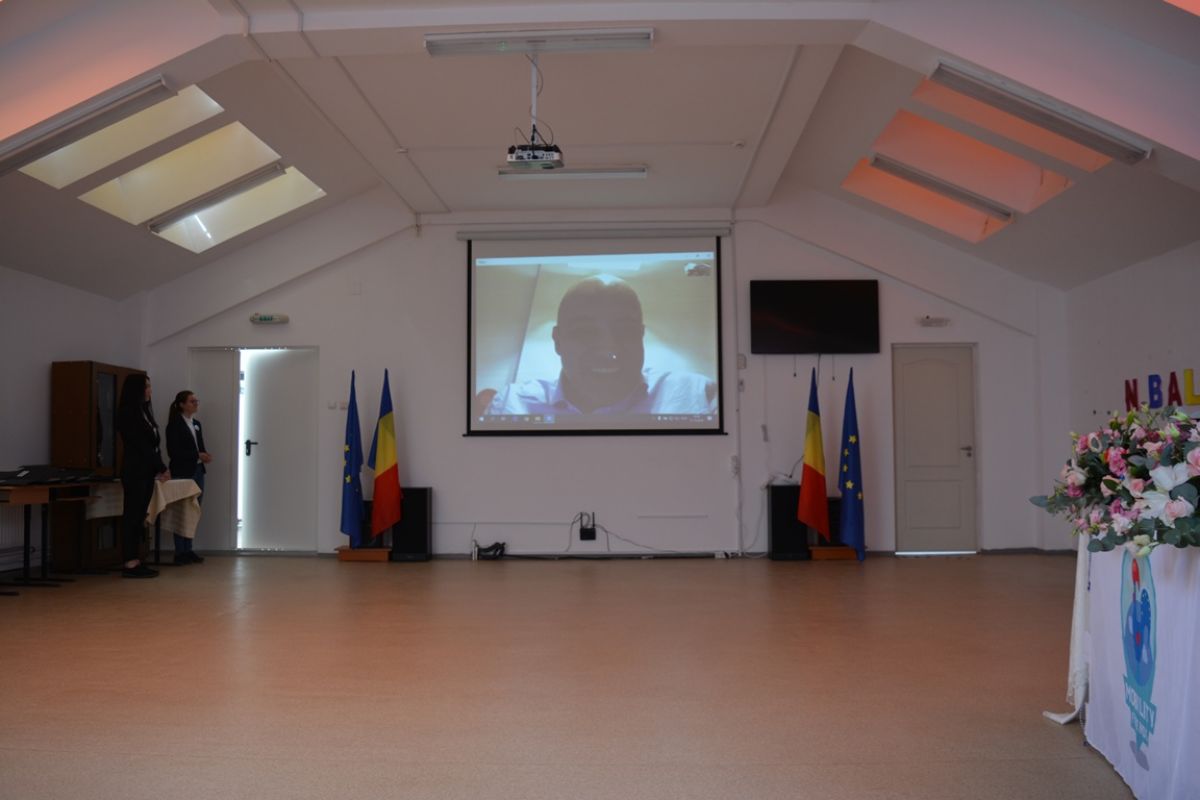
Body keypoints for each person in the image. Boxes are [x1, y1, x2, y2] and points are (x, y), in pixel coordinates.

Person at [484, 274, 717, 415]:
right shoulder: (512, 404)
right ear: (558, 341)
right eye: (584, 332)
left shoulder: (697, 394)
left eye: (625, 331)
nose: (609, 350)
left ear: (641, 336)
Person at [116, 374, 168, 578]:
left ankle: (136, 559)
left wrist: (159, 467)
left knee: (139, 516)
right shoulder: (128, 413)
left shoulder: (144, 411)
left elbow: (154, 445)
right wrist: (161, 467)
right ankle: (130, 562)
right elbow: (142, 445)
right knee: (132, 515)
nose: (150, 390)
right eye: (146, 386)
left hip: (146, 471)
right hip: (135, 470)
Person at [166, 390, 212, 565]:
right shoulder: (174, 425)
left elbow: (199, 446)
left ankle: (188, 548)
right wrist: (197, 455)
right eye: (192, 401)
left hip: (198, 470)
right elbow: (173, 452)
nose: (196, 403)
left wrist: (204, 455)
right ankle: (180, 551)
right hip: (182, 471)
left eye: (196, 401)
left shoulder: (196, 424)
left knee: (194, 510)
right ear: (182, 404)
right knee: (181, 510)